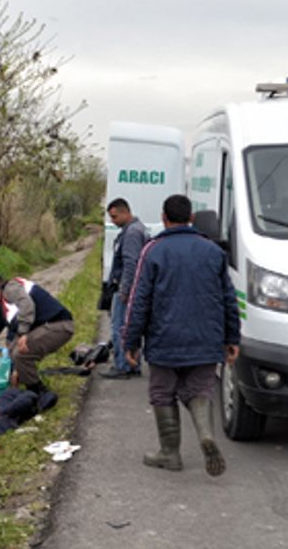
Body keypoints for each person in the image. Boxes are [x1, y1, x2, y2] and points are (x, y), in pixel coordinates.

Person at [123, 194, 240, 476]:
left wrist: (131, 341)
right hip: (206, 339)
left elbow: (139, 300)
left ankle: (170, 454)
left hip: (165, 339)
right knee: (200, 390)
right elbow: (228, 298)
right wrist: (232, 338)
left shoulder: (153, 251)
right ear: (191, 219)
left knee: (163, 393)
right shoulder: (213, 252)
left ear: (164, 218)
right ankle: (206, 435)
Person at [0, 274, 75, 395]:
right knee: (13, 351)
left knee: (20, 354)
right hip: (48, 325)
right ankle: (26, 388)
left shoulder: (10, 289)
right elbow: (9, 336)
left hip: (59, 324)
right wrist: (15, 369)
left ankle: (38, 392)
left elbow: (27, 305)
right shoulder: (7, 301)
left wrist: (23, 333)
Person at [100, 197, 149, 379]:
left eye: (114, 217)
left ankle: (123, 365)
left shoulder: (132, 233)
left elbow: (131, 264)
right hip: (132, 288)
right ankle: (132, 364)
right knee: (130, 328)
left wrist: (125, 291)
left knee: (120, 327)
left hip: (126, 288)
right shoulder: (135, 229)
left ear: (125, 212)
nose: (112, 221)